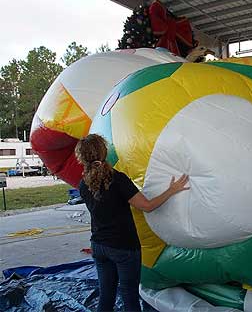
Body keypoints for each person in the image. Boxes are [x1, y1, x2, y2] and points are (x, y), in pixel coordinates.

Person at [75, 134, 189, 312]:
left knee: (106, 297)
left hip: (98, 245)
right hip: (123, 247)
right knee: (130, 298)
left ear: (82, 157)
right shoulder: (117, 179)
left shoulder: (83, 184)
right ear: (104, 152)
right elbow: (147, 206)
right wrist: (171, 190)